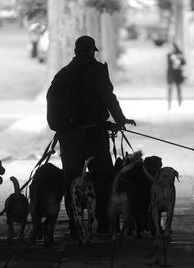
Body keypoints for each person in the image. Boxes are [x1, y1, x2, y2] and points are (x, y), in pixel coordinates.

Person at [47, 35, 136, 237]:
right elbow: (108, 97)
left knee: (72, 180)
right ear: (91, 51)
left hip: (69, 137)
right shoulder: (97, 70)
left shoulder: (63, 74)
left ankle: (74, 224)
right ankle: (103, 222)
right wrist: (121, 119)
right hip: (94, 135)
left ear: (76, 52)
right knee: (102, 177)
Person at [167, 43, 186, 110]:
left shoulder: (180, 54)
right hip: (171, 74)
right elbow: (169, 65)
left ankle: (179, 102)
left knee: (179, 88)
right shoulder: (169, 55)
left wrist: (178, 60)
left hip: (178, 73)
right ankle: (169, 104)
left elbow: (184, 62)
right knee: (170, 88)